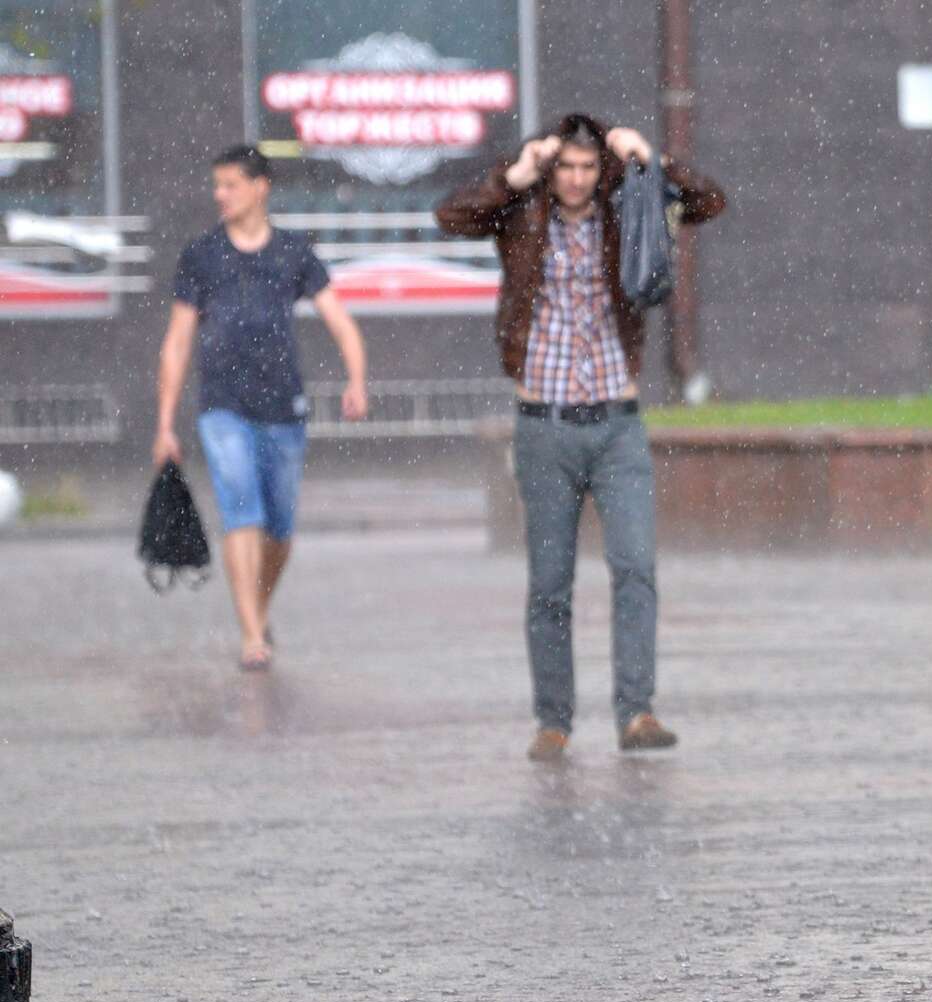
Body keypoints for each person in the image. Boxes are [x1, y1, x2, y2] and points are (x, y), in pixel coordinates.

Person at [435, 113, 725, 762]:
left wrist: (650, 156)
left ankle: (638, 711)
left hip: (617, 424)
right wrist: (513, 174)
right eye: (564, 167)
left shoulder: (628, 210)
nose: (574, 179)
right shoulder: (520, 214)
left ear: (602, 171)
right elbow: (451, 216)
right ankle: (554, 720)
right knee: (549, 583)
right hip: (545, 428)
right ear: (550, 167)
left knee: (635, 569)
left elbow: (708, 201)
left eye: (587, 168)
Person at [152, 144, 367, 672]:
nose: (219, 195)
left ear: (259, 186)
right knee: (240, 510)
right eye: (216, 185)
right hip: (222, 406)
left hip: (284, 408)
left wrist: (357, 377)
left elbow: (338, 317)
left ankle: (258, 608)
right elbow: (177, 342)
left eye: (229, 184)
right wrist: (164, 423)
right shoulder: (201, 256)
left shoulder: (293, 252)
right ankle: (251, 634)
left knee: (279, 530)